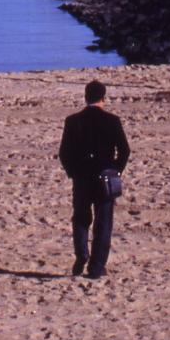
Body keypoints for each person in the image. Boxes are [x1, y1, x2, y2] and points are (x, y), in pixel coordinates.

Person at [57, 79, 129, 279]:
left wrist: (73, 172)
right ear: (103, 98)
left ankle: (81, 254)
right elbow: (124, 150)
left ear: (86, 97)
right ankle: (96, 266)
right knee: (103, 222)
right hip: (104, 177)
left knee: (80, 217)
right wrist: (116, 171)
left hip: (82, 177)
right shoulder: (112, 120)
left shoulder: (73, 120)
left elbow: (64, 152)